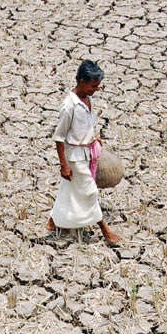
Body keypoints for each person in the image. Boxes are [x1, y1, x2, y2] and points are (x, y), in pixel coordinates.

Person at [47, 60, 120, 245]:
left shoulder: (88, 100)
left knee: (69, 189)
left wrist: (93, 136)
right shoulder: (69, 106)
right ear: (81, 81)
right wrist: (64, 165)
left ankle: (53, 221)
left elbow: (84, 125)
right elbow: (59, 137)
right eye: (93, 86)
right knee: (89, 192)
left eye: (98, 87)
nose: (95, 90)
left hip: (87, 152)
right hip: (75, 156)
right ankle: (105, 230)